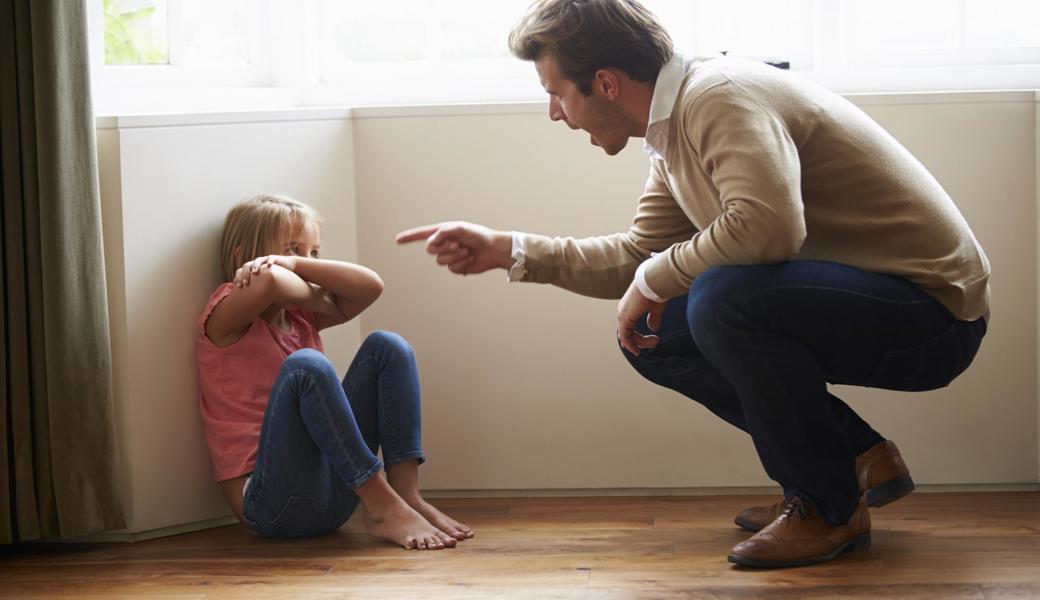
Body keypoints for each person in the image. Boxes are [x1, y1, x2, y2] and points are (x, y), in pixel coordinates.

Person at [396, 0, 989, 568]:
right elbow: (637, 256)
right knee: (655, 335)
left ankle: (828, 508)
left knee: (721, 299)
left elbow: (767, 230)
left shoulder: (718, 96)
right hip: (875, 303)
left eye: (555, 93)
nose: (554, 113)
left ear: (604, 83)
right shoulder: (671, 129)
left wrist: (657, 276)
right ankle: (849, 463)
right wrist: (508, 249)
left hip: (934, 317)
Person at [196, 193, 473, 549]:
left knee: (388, 347)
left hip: (336, 495)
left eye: (313, 254)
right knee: (306, 367)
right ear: (242, 258)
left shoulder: (299, 317)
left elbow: (372, 285)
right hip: (271, 504)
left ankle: (404, 498)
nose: (305, 263)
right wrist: (312, 291)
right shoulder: (225, 314)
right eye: (291, 250)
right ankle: (384, 505)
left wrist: (292, 266)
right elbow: (270, 283)